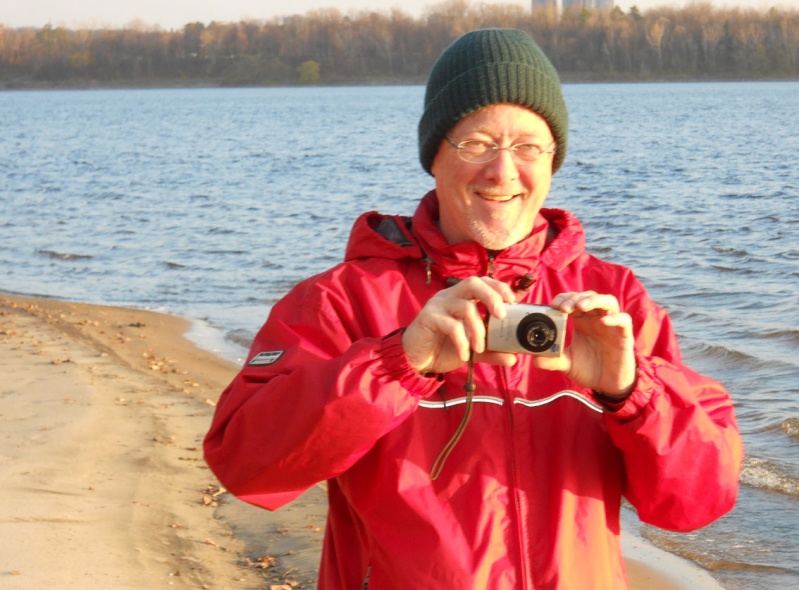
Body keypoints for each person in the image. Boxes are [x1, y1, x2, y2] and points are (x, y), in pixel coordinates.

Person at [204, 28, 743, 589]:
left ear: (553, 160)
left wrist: (631, 393)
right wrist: (395, 363)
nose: (503, 172)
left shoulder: (613, 300)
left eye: (529, 147)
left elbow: (697, 503)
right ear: (433, 154)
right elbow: (247, 467)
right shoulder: (343, 299)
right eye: (477, 142)